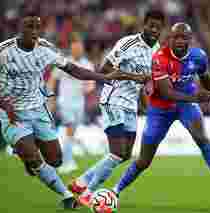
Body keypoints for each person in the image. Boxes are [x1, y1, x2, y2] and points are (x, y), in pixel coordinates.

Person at [0, 13, 146, 210]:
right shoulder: (3, 51)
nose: (34, 31)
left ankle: (27, 150)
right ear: (20, 28)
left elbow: (74, 70)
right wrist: (4, 104)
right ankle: (67, 195)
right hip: (14, 113)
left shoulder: (46, 49)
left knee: (55, 160)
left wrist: (103, 77)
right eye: (29, 27)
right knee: (36, 158)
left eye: (37, 27)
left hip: (39, 110)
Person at [112, 23, 210, 207]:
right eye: (176, 37)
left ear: (190, 39)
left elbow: (205, 77)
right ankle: (116, 191)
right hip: (160, 109)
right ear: (169, 38)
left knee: (202, 138)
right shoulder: (159, 58)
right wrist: (195, 97)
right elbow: (166, 93)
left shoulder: (199, 56)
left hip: (186, 105)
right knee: (144, 160)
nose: (180, 40)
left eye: (184, 37)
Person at [67, 9, 166, 206]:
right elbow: (104, 70)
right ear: (143, 24)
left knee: (126, 154)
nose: (154, 30)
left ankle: (81, 182)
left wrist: (145, 106)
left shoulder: (157, 50)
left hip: (130, 105)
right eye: (151, 25)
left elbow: (144, 82)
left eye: (158, 27)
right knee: (116, 152)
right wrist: (132, 76)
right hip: (113, 100)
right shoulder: (127, 43)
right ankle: (87, 194)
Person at [48, 32, 95, 174]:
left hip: (79, 103)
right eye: (75, 48)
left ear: (82, 49)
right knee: (69, 128)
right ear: (71, 48)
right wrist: (51, 97)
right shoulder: (64, 62)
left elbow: (91, 83)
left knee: (72, 132)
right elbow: (52, 80)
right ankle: (66, 162)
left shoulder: (88, 64)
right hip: (65, 102)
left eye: (79, 48)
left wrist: (89, 88)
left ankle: (63, 158)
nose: (77, 50)